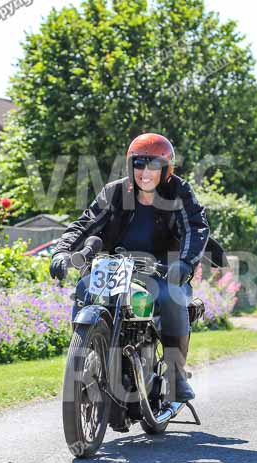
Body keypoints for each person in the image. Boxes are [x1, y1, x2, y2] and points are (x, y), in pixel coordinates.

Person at [49, 133, 213, 402]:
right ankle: (88, 352)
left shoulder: (179, 192)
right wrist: (62, 251)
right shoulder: (114, 192)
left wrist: (184, 263)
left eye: (154, 165)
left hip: (163, 269)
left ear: (166, 169)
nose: (145, 172)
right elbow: (85, 224)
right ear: (130, 165)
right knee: (84, 287)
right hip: (117, 267)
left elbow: (196, 226)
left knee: (171, 297)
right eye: (139, 164)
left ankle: (175, 374)